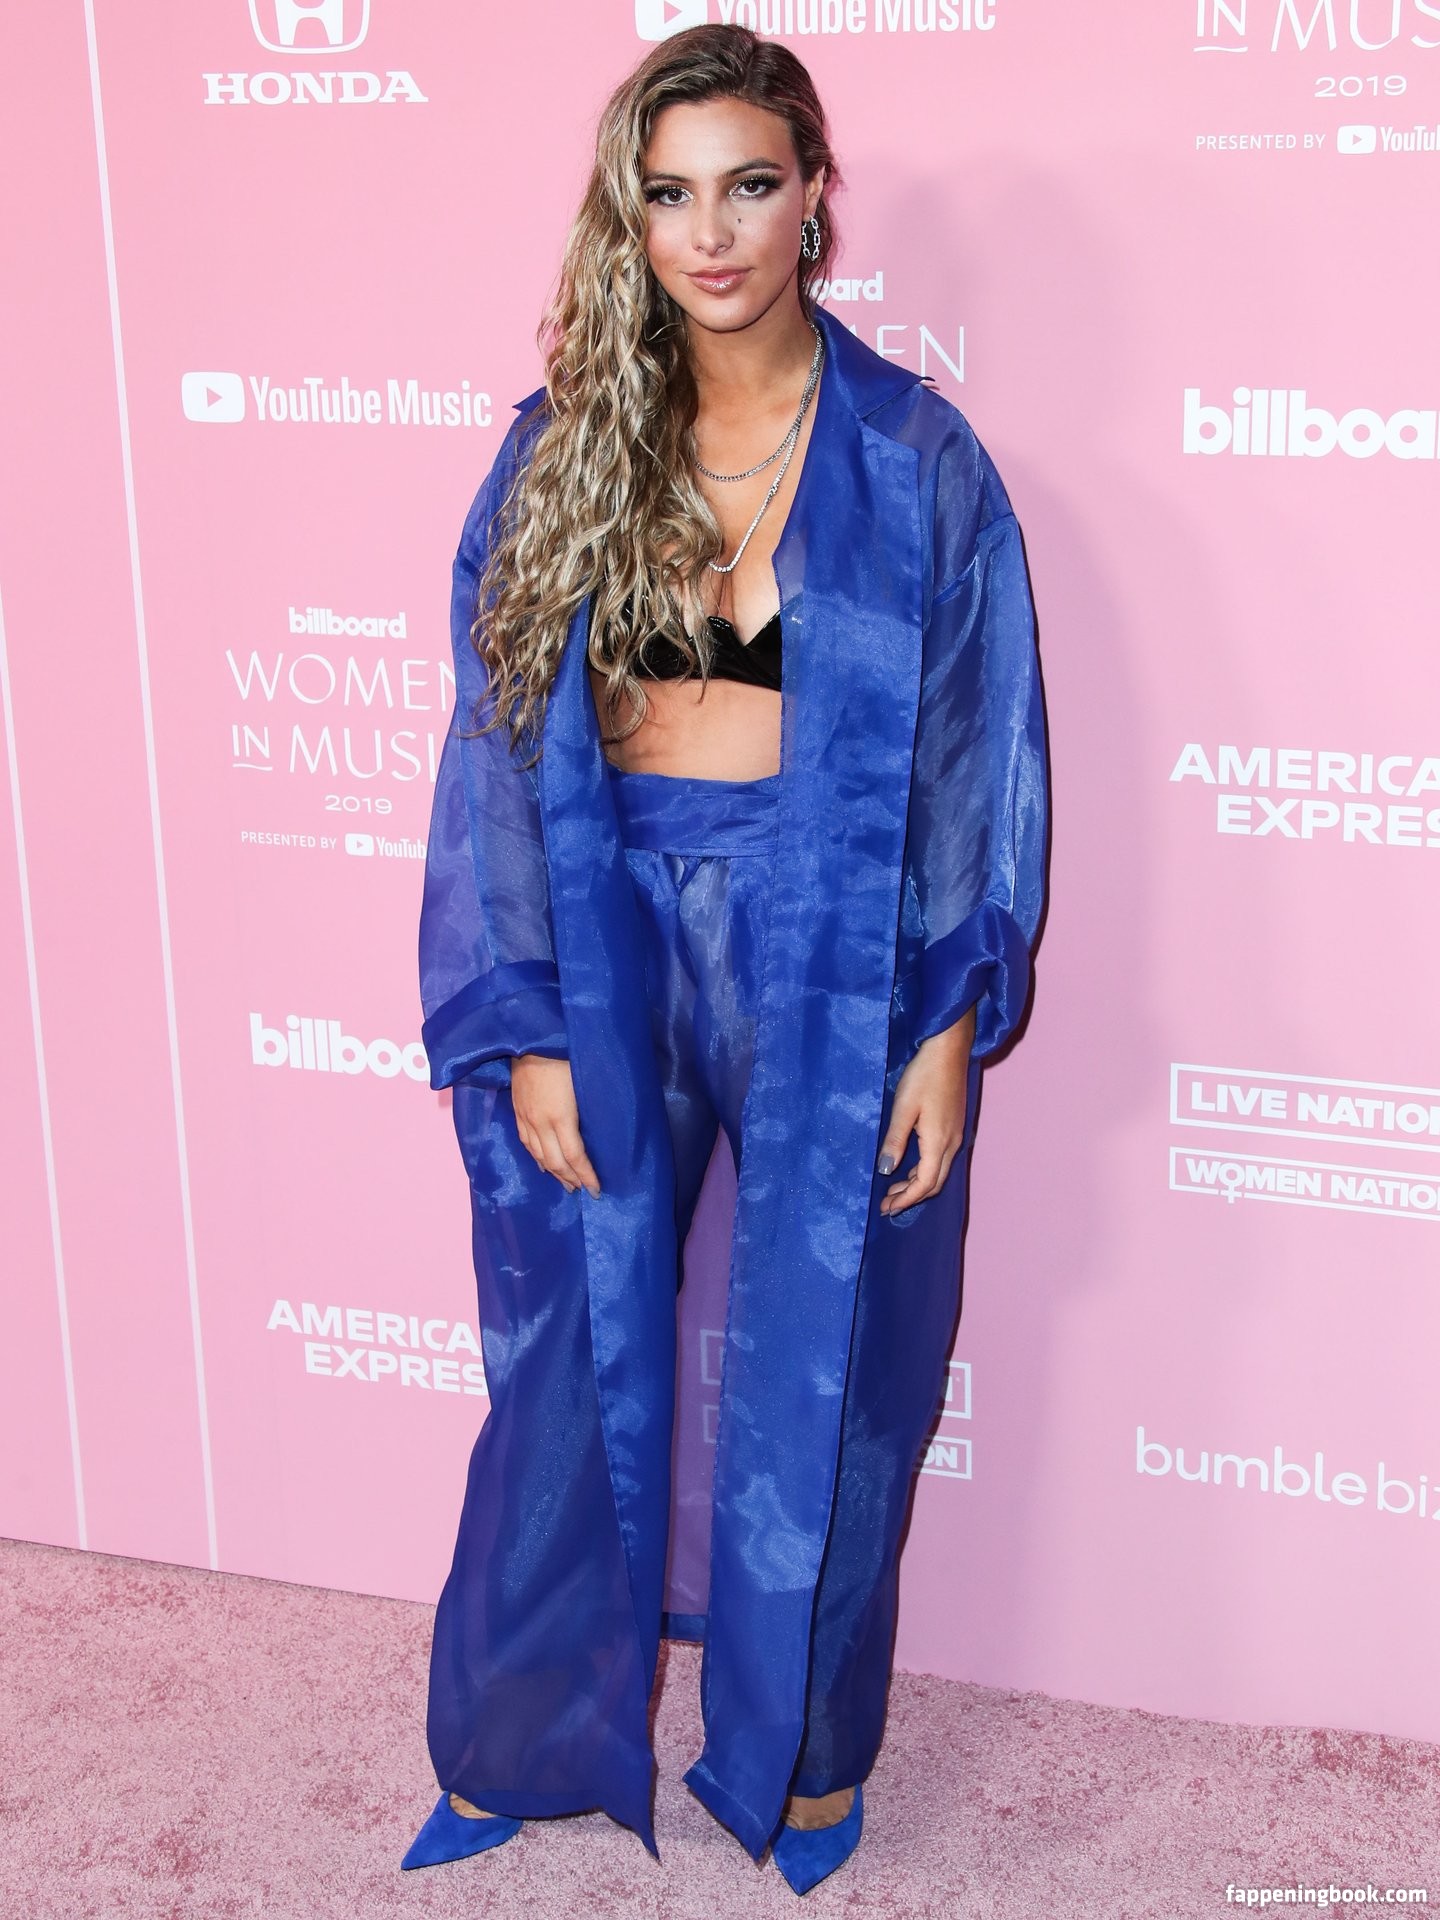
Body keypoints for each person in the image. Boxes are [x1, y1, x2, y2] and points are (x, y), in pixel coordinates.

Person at [401, 22, 1047, 1899]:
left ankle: (808, 1757)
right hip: (607, 929)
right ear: (632, 215)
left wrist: (949, 1020)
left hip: (833, 948)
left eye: (751, 185)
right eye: (672, 194)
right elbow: (495, 744)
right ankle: (526, 1737)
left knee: (840, 1359)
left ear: (814, 198)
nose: (712, 233)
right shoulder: (560, 451)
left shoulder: (916, 459)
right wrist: (527, 1013)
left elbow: (977, 750)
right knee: (564, 1349)